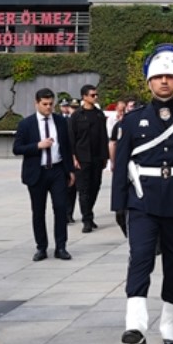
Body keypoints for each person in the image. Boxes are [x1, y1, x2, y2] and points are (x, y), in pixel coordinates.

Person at [110, 51, 173, 344]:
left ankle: (170, 322)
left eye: (169, 77)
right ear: (149, 82)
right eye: (158, 77)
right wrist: (119, 205)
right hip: (142, 200)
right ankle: (135, 323)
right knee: (140, 257)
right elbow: (121, 165)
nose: (164, 82)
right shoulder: (132, 120)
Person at [13, 88, 75, 261]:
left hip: (57, 170)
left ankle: (61, 247)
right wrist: (37, 146)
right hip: (37, 172)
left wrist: (70, 170)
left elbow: (66, 147)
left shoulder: (60, 121)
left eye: (51, 104)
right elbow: (17, 149)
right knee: (38, 211)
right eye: (45, 104)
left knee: (61, 208)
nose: (48, 107)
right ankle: (41, 247)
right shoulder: (26, 124)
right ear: (37, 103)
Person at [70, 83, 111, 233]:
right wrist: (73, 157)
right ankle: (87, 219)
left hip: (97, 157)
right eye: (92, 95)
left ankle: (89, 213)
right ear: (84, 97)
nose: (95, 97)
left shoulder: (99, 114)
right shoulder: (76, 116)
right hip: (82, 158)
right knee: (84, 190)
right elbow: (71, 138)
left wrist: (105, 156)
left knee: (95, 187)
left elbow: (103, 137)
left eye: (96, 95)